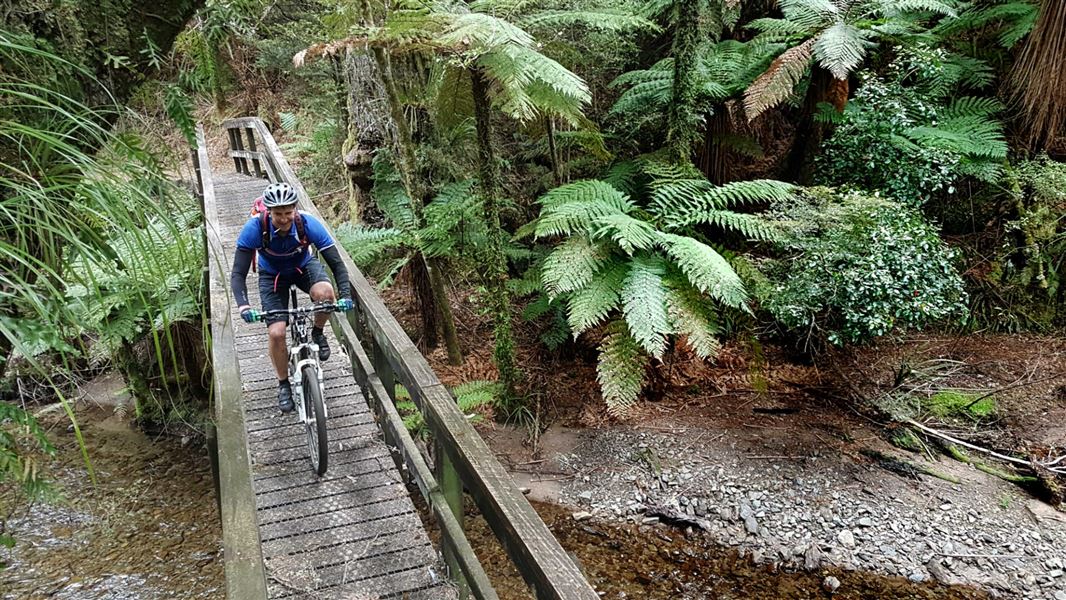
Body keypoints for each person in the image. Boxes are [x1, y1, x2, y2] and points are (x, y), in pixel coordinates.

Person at [230, 182, 354, 413]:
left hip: (302, 267)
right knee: (276, 332)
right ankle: (283, 383)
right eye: (278, 214)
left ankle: (317, 333)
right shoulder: (255, 228)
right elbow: (238, 273)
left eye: (288, 213)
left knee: (325, 294)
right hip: (272, 275)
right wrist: (243, 306)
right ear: (268, 211)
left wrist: (344, 295)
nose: (284, 219)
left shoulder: (307, 223)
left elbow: (337, 264)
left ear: (295, 209)